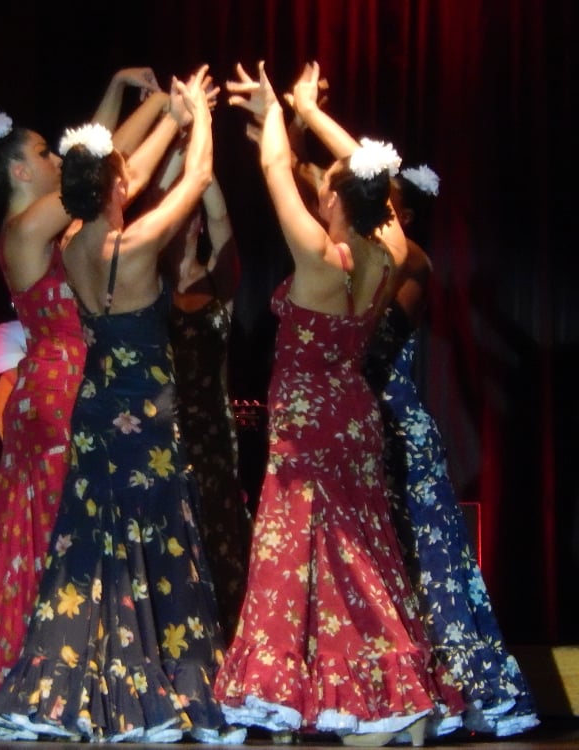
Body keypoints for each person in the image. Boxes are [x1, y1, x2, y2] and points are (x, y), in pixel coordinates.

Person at [0, 65, 245, 744]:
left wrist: (164, 118)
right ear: (116, 189)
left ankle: (57, 689)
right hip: (149, 420)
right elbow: (192, 183)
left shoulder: (71, 248)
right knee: (161, 545)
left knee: (89, 548)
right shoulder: (133, 245)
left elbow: (103, 173)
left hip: (96, 410)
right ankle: (178, 689)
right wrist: (196, 121)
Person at [212, 61, 465, 746]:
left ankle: (358, 705)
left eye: (322, 186)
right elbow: (363, 173)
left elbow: (272, 175)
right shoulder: (389, 248)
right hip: (352, 414)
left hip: (307, 428)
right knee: (366, 551)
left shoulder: (323, 261)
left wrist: (272, 118)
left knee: (301, 556)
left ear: (333, 201)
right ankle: (396, 693)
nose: (314, 187)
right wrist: (308, 111)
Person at [0, 67, 179, 736]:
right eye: (41, 153)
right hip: (57, 393)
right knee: (52, 536)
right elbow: (92, 170)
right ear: (18, 174)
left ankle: (48, 675)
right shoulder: (28, 231)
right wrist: (153, 111)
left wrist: (155, 111)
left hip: (65, 389)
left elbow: (101, 169)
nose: (54, 157)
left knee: (50, 534)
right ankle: (31, 681)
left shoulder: (47, 225)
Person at [363, 165, 540, 737]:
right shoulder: (359, 259)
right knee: (390, 569)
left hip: (403, 432)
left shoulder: (409, 256)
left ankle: (466, 691)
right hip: (364, 432)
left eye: (385, 205)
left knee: (434, 568)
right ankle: (410, 693)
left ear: (405, 216)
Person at [152, 147, 253, 645]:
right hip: (161, 428)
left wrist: (202, 165)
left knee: (215, 526)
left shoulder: (219, 283)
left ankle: (223, 643)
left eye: (194, 218)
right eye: (180, 217)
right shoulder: (146, 285)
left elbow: (222, 220)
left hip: (212, 429)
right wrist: (176, 172)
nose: (190, 225)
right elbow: (153, 202)